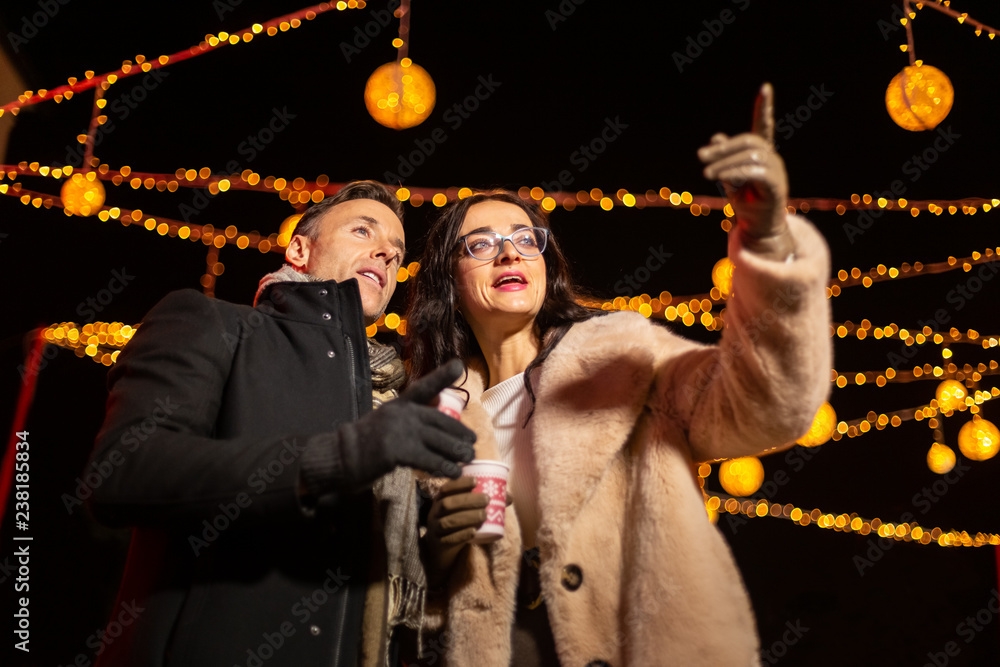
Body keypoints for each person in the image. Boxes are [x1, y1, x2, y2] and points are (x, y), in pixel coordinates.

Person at [404, 84, 832, 666]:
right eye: (480, 245)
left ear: (545, 263)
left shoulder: (620, 357)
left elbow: (767, 405)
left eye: (525, 239)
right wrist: (437, 550)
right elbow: (404, 609)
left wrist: (768, 239)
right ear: (448, 285)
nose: (509, 254)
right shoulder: (433, 419)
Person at [86, 180, 477, 667]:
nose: (386, 254)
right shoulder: (212, 323)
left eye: (397, 253)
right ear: (299, 248)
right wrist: (335, 457)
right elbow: (123, 471)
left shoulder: (393, 392)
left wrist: (437, 539)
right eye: (363, 231)